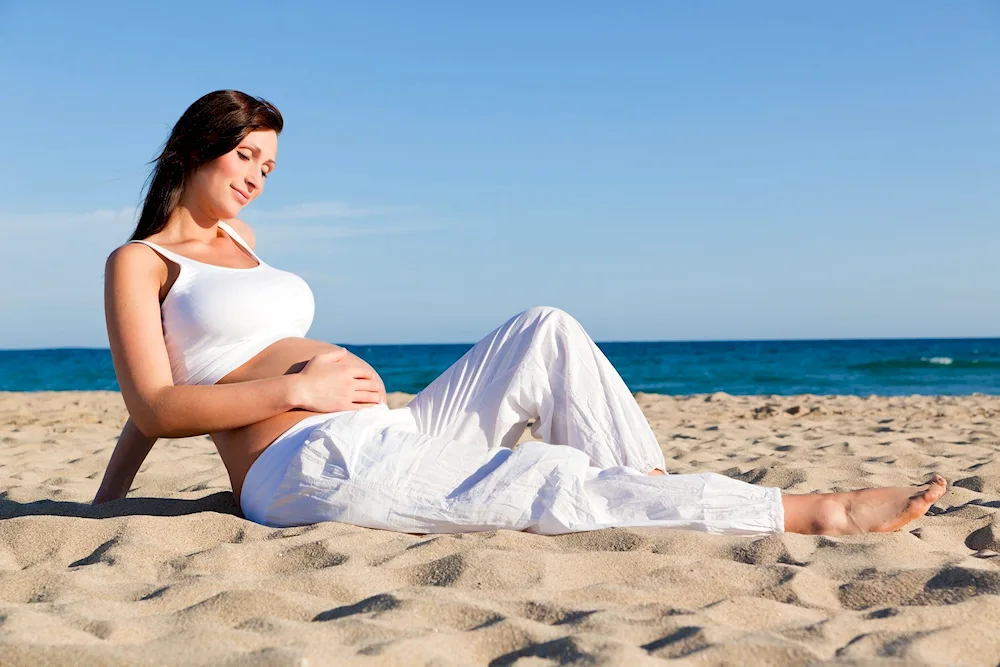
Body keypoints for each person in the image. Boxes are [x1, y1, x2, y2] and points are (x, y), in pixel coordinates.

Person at [95, 89, 946, 536]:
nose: (256, 175)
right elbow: (156, 404)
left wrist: (106, 502)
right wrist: (304, 390)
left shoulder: (242, 240)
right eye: (245, 156)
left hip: (386, 429)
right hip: (302, 464)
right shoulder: (140, 261)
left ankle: (654, 494)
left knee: (546, 329)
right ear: (192, 150)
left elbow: (171, 370)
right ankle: (816, 512)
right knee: (541, 480)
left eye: (270, 165)